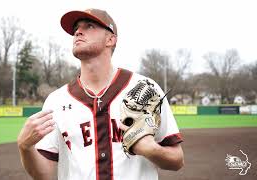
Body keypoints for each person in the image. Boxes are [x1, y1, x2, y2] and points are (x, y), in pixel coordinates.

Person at [17, 8, 184, 180]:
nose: (78, 32)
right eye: (76, 29)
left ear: (110, 39)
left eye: (89, 26)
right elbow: (43, 175)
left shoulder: (144, 89)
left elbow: (177, 160)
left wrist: (151, 149)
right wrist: (25, 147)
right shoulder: (56, 101)